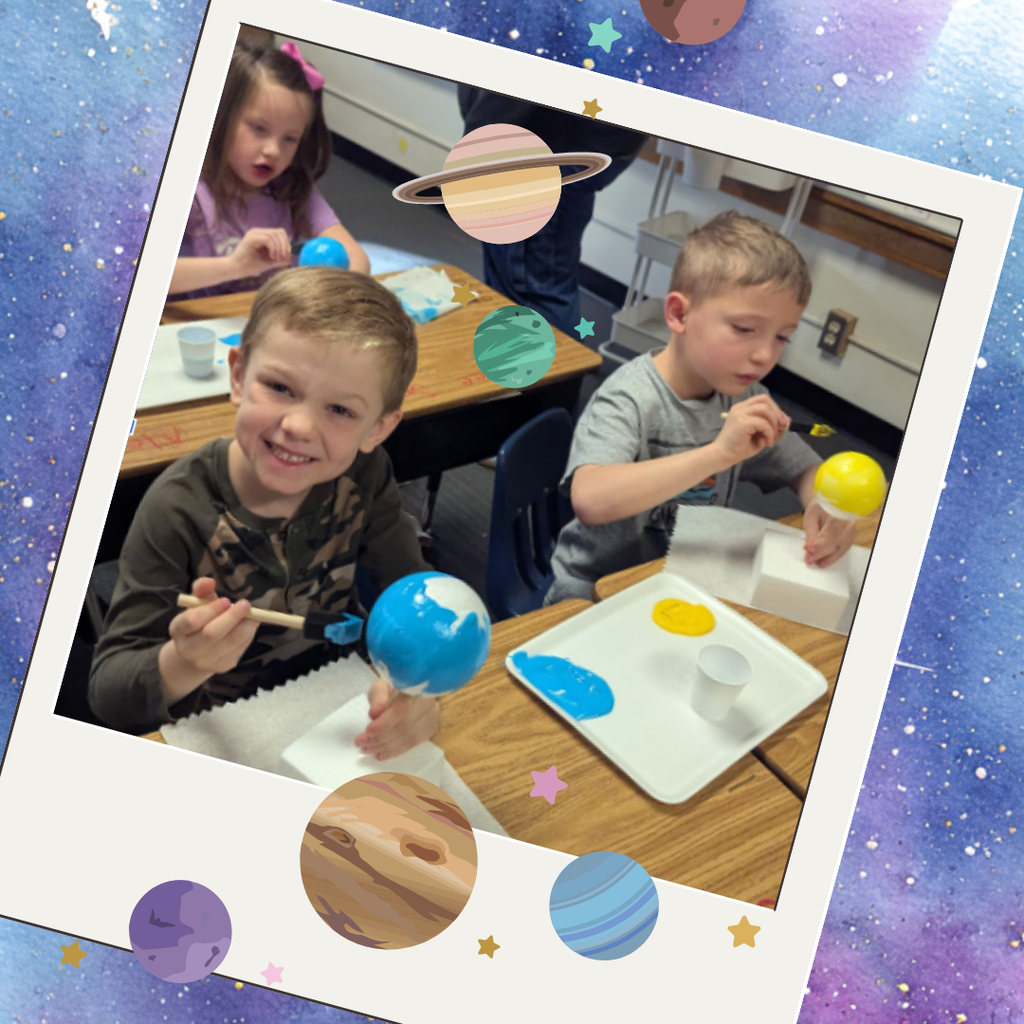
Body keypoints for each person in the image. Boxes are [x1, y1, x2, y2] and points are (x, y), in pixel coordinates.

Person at [89, 267, 438, 758]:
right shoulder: (179, 507)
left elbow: (409, 598)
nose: (299, 426)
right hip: (216, 732)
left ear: (377, 429)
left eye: (340, 410)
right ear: (238, 375)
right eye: (279, 387)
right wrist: (186, 662)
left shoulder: (365, 472)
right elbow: (109, 694)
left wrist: (416, 687)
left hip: (336, 710)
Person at [545, 210, 859, 605]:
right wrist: (718, 453)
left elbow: (806, 468)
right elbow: (591, 500)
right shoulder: (627, 398)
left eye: (782, 337)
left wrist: (824, 506)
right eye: (744, 329)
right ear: (679, 314)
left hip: (681, 583)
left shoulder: (744, 396)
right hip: (595, 594)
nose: (765, 355)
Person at [169, 39, 368, 299]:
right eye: (259, 129)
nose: (273, 151)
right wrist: (234, 267)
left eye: (289, 139)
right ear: (222, 117)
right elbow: (137, 273)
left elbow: (357, 259)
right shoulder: (191, 191)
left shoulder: (292, 189)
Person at [457, 87, 647, 337]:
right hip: (570, 144)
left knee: (532, 291)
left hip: (540, 149)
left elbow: (523, 77)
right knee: (525, 281)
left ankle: (546, 360)